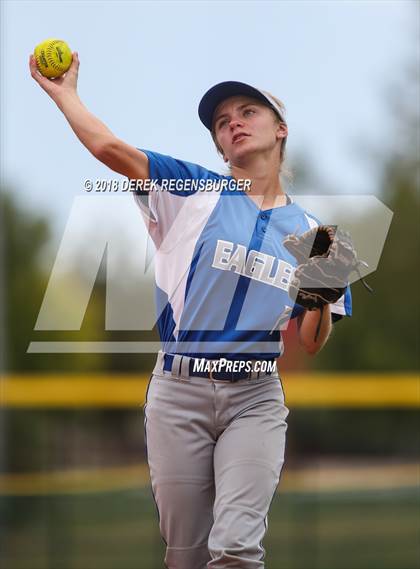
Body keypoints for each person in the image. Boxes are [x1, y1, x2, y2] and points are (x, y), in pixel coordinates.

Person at [30, 53, 351, 569]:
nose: (234, 124)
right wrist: (64, 93)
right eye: (223, 123)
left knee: (237, 548)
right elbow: (110, 148)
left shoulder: (315, 235)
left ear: (280, 128)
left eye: (247, 112)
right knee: (185, 555)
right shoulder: (191, 191)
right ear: (219, 145)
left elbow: (311, 340)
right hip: (179, 392)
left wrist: (319, 291)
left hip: (255, 396)